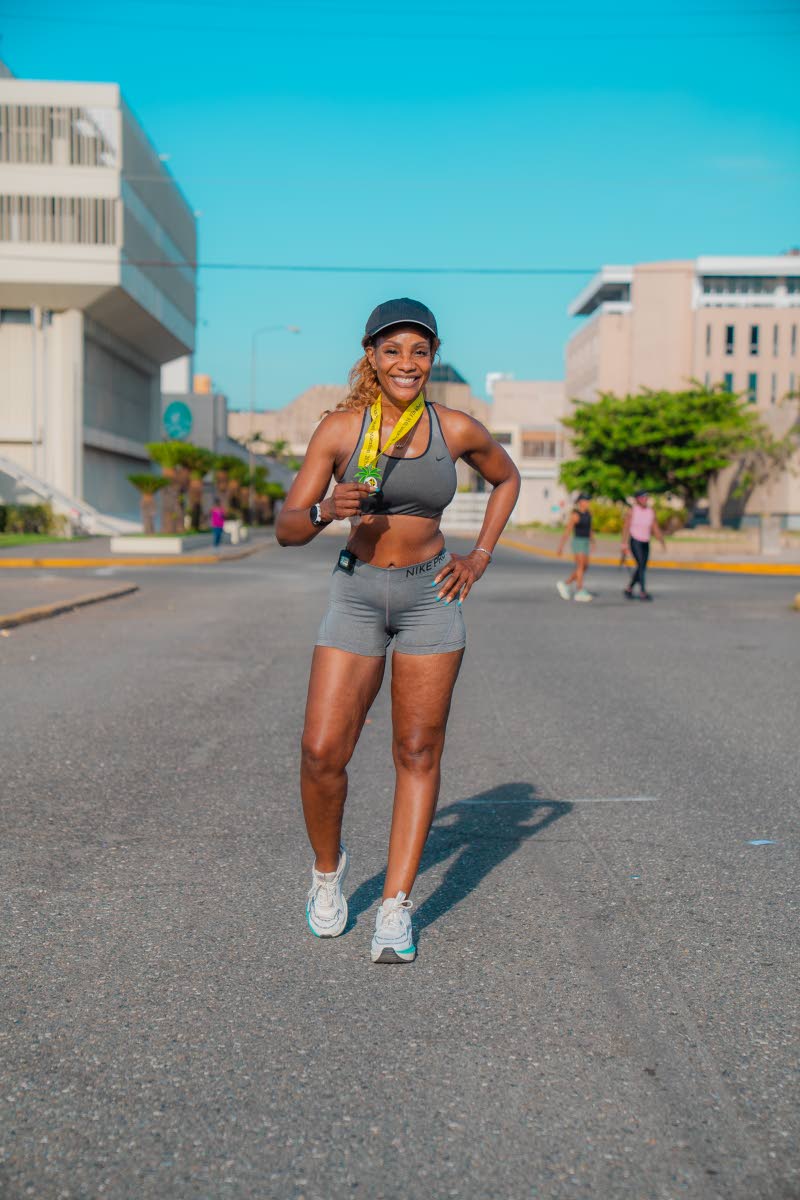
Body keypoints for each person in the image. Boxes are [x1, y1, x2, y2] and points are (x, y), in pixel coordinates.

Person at [276, 298, 520, 963]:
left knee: (417, 751)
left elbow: (506, 478)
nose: (406, 362)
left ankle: (395, 905)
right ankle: (328, 873)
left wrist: (480, 556)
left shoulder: (456, 428)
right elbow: (287, 528)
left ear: (432, 357)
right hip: (356, 594)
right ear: (372, 357)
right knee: (321, 752)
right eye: (392, 350)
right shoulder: (339, 430)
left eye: (418, 350)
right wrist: (326, 508)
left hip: (430, 597)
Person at [622, 489, 665, 601]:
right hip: (635, 540)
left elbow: (655, 527)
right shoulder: (632, 511)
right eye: (642, 497)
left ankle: (629, 588)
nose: (644, 499)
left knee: (642, 567)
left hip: (646, 541)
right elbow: (626, 527)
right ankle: (643, 591)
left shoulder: (650, 511)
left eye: (646, 497)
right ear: (637, 499)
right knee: (641, 564)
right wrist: (624, 544)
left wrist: (661, 540)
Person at [556, 493, 596, 602]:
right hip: (578, 542)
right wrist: (561, 547)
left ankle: (566, 584)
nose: (587, 503)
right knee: (580, 566)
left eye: (588, 501)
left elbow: (590, 529)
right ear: (580, 502)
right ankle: (580, 590)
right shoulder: (575, 515)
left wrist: (593, 542)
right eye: (585, 500)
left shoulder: (589, 514)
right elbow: (568, 531)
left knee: (585, 567)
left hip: (586, 542)